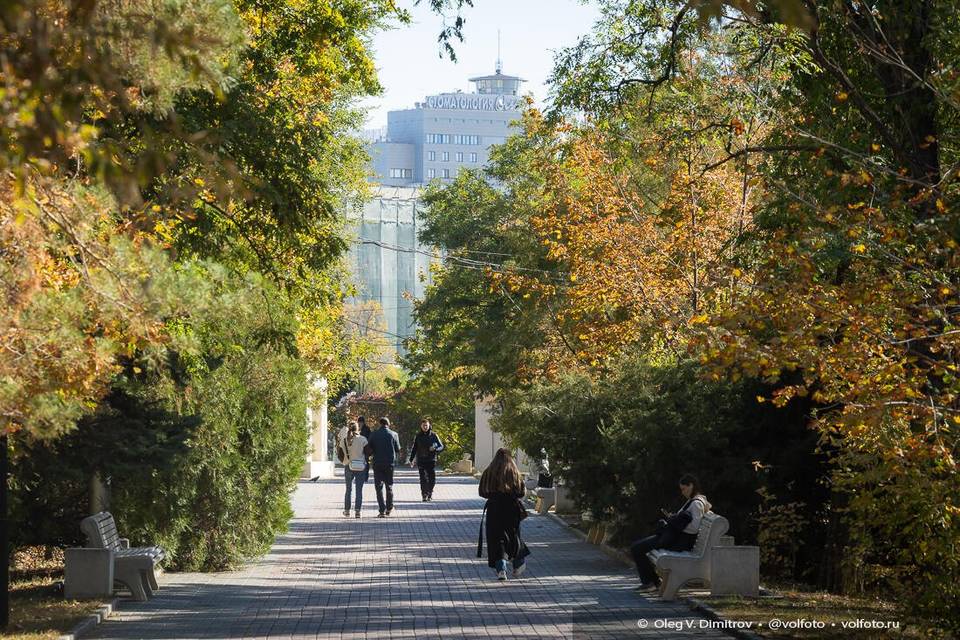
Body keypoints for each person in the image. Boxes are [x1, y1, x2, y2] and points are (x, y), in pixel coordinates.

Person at [629, 474, 712, 591]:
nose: (683, 492)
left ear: (691, 486)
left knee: (636, 548)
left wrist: (675, 523)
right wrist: (674, 518)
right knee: (637, 547)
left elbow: (694, 528)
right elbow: (685, 520)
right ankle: (653, 582)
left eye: (684, 489)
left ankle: (651, 582)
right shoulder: (693, 501)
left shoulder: (696, 503)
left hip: (677, 541)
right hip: (673, 538)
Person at [477, 448, 530, 581]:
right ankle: (518, 564)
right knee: (513, 537)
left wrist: (492, 496)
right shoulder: (514, 471)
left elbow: (482, 492)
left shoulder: (489, 471)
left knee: (496, 539)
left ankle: (501, 569)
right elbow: (521, 493)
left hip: (494, 508)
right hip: (512, 508)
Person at [367, 416, 401, 517]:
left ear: (380, 424)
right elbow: (398, 449)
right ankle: (389, 508)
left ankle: (381, 510)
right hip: (389, 463)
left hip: (377, 463)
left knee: (378, 487)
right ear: (388, 424)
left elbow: (369, 448)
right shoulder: (394, 434)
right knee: (389, 486)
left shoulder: (374, 434)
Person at [408, 419, 444, 501]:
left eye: (426, 425)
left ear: (429, 426)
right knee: (423, 478)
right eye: (423, 425)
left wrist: (434, 449)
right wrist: (411, 460)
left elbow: (441, 446)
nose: (425, 427)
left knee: (432, 478)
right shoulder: (418, 436)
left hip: (431, 460)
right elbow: (414, 448)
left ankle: (430, 493)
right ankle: (424, 494)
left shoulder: (434, 435)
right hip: (421, 460)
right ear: (421, 426)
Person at [339, 421, 369, 518]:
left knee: (348, 489)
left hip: (348, 466)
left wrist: (345, 461)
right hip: (360, 467)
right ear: (358, 429)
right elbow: (368, 452)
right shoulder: (363, 439)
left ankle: (347, 511)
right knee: (359, 490)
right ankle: (357, 511)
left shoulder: (344, 440)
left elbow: (340, 454)